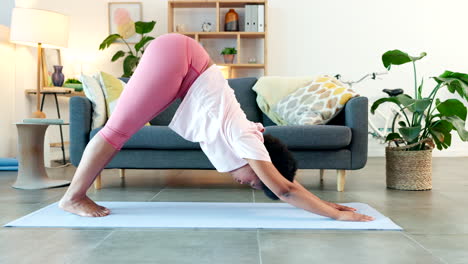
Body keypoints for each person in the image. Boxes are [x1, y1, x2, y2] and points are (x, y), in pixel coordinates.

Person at [58, 33, 374, 222]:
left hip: (184, 64)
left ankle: (76, 195)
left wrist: (327, 202)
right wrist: (337, 215)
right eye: (253, 183)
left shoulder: (246, 136)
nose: (244, 183)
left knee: (119, 131)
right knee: (116, 132)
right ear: (261, 161)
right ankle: (74, 196)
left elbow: (284, 184)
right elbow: (284, 188)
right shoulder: (246, 140)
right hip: (181, 59)